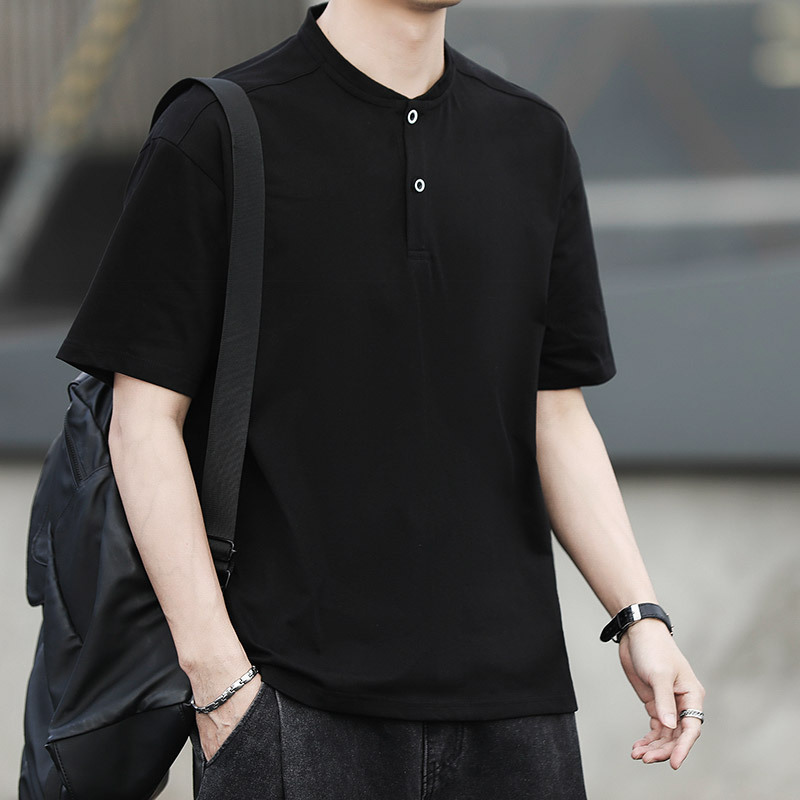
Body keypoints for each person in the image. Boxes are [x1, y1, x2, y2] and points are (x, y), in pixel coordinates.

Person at [55, 1, 705, 797]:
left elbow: (555, 413)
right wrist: (218, 678)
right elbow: (144, 420)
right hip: (292, 707)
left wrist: (639, 614)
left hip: (517, 716)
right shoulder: (217, 129)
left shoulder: (532, 138)